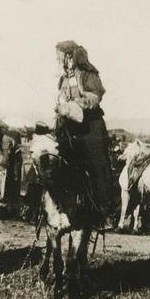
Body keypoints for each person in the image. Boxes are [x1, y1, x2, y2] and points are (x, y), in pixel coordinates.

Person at [54, 40, 115, 230]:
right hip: (69, 125)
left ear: (69, 56)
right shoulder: (63, 79)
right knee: (52, 157)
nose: (58, 59)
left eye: (60, 55)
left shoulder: (89, 74)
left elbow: (95, 98)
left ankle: (105, 213)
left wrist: (75, 104)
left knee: (99, 167)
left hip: (90, 126)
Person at [0, 125, 22, 205]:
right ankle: (6, 196)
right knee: (7, 176)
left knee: (15, 176)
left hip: (16, 157)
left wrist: (2, 164)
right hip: (9, 157)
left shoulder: (5, 139)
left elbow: (7, 155)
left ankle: (15, 198)